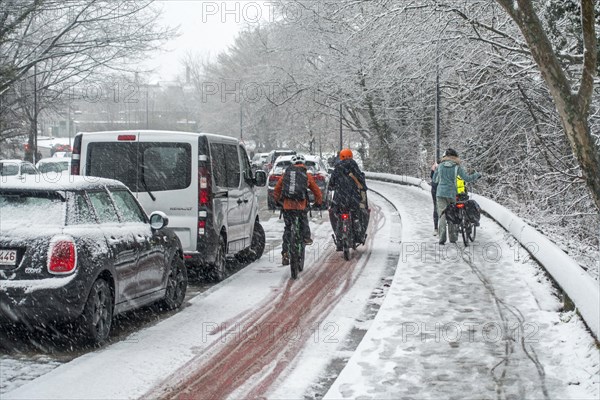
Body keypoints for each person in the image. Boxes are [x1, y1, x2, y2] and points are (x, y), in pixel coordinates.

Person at [274, 154, 322, 266]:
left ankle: (285, 253)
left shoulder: (286, 174)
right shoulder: (306, 174)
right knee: (303, 221)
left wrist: (277, 201)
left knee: (288, 229)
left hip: (288, 206)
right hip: (300, 206)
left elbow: (276, 189)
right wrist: (318, 202)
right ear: (303, 164)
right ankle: (306, 238)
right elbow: (316, 191)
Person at [432, 148, 481, 245]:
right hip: (451, 193)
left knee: (442, 215)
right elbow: (467, 178)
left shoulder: (440, 166)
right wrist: (476, 175)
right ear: (455, 157)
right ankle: (453, 238)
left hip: (440, 193)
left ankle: (442, 238)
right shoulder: (456, 167)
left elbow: (435, 180)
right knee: (452, 214)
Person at [328, 148, 369, 250]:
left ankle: (339, 239)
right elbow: (362, 182)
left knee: (338, 217)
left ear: (340, 157)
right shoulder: (354, 167)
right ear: (351, 156)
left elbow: (331, 184)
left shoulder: (337, 168)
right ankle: (358, 233)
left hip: (339, 199)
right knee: (356, 215)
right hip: (353, 198)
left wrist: (334, 186)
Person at [430, 162, 439, 236]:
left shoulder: (436, 166)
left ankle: (436, 228)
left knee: (436, 208)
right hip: (437, 190)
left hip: (435, 190)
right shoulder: (454, 165)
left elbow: (432, 177)